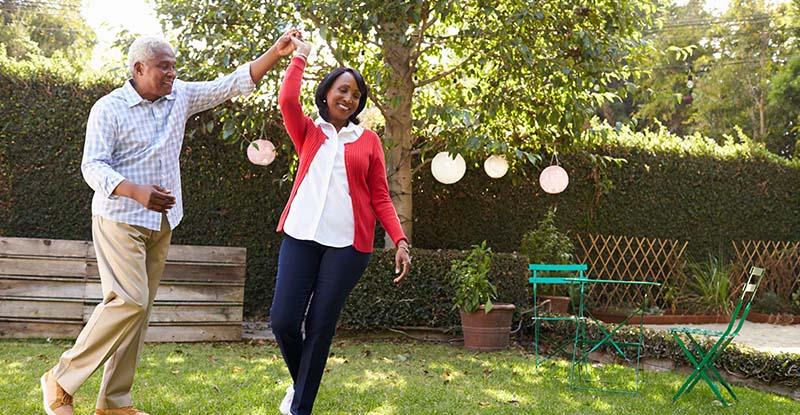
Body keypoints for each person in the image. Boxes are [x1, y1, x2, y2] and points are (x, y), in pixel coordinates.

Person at [40, 30, 300, 415]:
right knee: (128, 299)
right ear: (139, 68)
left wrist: (274, 53)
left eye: (174, 66)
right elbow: (91, 166)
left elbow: (228, 85)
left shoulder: (179, 96)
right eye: (164, 66)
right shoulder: (108, 109)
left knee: (139, 312)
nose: (172, 73)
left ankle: (114, 403)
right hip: (119, 218)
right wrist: (134, 190)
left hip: (161, 222)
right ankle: (60, 379)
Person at [269, 34, 411, 415]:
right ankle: (302, 385)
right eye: (342, 90)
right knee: (282, 320)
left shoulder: (368, 141)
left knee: (319, 327)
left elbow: (381, 195)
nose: (348, 98)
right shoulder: (309, 132)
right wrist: (300, 56)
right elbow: (286, 100)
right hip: (301, 237)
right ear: (328, 92)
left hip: (347, 247)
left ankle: (300, 408)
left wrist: (399, 239)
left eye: (356, 95)